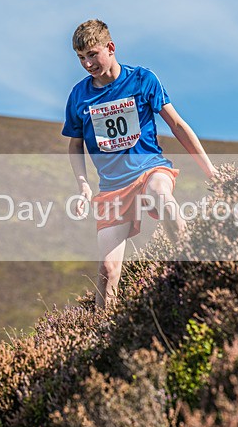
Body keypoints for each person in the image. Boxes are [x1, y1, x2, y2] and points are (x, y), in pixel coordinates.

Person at [63, 19, 216, 308]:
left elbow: (178, 125)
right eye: (81, 58)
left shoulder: (143, 79)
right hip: (111, 188)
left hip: (149, 170)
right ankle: (100, 338)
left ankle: (191, 268)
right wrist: (83, 185)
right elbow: (74, 144)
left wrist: (210, 170)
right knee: (108, 271)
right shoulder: (78, 96)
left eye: (93, 54)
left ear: (111, 48)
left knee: (161, 195)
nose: (87, 64)